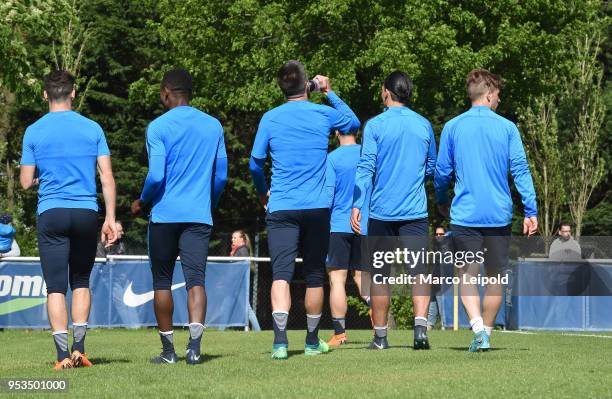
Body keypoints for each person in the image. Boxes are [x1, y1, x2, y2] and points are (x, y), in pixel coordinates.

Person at [250, 60, 360, 360]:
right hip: (317, 208)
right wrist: (328, 91)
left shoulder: (270, 118)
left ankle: (280, 342)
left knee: (281, 275)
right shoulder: (323, 113)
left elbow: (255, 163)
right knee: (314, 274)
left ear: (280, 86)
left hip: (282, 205)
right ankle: (312, 341)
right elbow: (351, 122)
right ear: (306, 85)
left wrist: (263, 192)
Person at [19, 69, 118, 370]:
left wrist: (41, 178)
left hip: (51, 213)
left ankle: (62, 355)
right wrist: (110, 218)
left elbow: (25, 182)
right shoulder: (93, 128)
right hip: (86, 212)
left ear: (45, 95)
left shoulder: (33, 131)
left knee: (56, 287)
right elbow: (107, 177)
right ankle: (80, 348)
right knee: (81, 281)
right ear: (73, 93)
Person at [434, 68, 538, 352]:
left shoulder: (453, 127)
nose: (499, 102)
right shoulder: (507, 128)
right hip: (498, 214)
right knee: (495, 276)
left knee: (464, 274)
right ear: (489, 94)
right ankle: (487, 334)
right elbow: (520, 171)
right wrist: (531, 210)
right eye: (498, 96)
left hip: (466, 214)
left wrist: (442, 198)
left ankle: (478, 329)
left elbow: (442, 172)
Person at [131, 69, 227, 365]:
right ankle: (195, 349)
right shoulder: (213, 126)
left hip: (163, 216)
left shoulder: (158, 127)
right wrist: (208, 202)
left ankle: (168, 352)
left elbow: (156, 174)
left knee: (162, 282)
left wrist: (142, 200)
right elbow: (221, 176)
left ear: (165, 93)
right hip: (198, 216)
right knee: (195, 281)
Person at [351, 70, 436, 350]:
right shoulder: (424, 125)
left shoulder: (374, 125)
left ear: (386, 91)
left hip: (381, 213)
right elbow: (432, 167)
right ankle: (420, 331)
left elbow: (366, 167)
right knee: (420, 272)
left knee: (379, 276)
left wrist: (357, 203)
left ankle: (380, 338)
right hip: (415, 212)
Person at [325, 130, 371, 346]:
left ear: (336, 132)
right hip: (365, 224)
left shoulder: (332, 158)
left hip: (339, 224)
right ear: (358, 132)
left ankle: (340, 333)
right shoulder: (368, 154)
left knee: (337, 280)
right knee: (362, 277)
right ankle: (376, 309)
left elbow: (328, 194)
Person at [229, 230, 261, 331]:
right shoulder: (238, 250)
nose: (232, 240)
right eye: (232, 237)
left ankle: (258, 330)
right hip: (236, 285)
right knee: (226, 306)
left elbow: (240, 269)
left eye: (235, 238)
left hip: (239, 285)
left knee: (247, 309)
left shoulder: (242, 250)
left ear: (242, 239)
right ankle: (220, 330)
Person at [427, 226, 449, 330]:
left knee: (441, 304)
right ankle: (429, 325)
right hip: (432, 280)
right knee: (432, 304)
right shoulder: (433, 247)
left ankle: (445, 325)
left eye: (441, 234)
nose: (438, 236)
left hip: (443, 281)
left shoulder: (448, 247)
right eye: (437, 234)